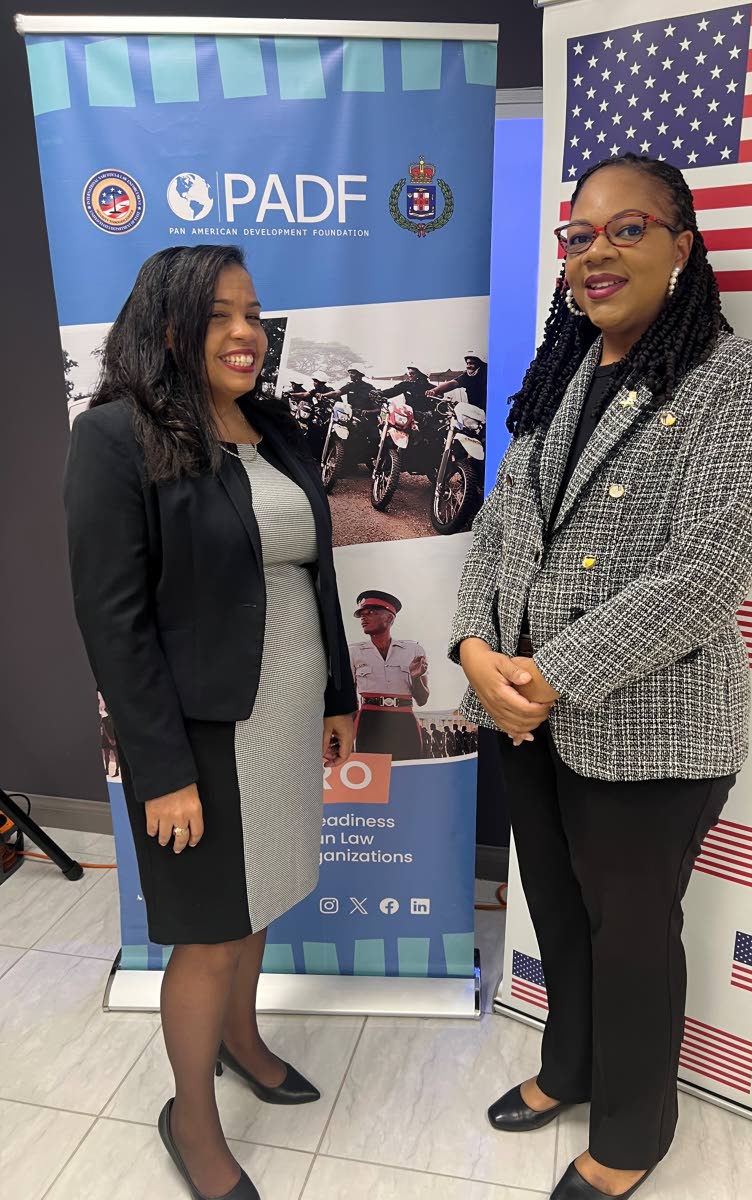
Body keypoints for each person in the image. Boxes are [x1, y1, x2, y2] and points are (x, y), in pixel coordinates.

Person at [449, 153, 752, 1200]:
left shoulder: (733, 377)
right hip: (526, 714)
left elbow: (708, 570)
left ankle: (635, 1131)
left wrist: (549, 674)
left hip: (652, 725)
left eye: (625, 228)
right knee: (555, 908)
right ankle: (569, 1068)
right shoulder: (561, 373)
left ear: (682, 246)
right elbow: (504, 527)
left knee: (633, 937)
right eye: (578, 236)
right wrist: (473, 649)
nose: (595, 252)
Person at [64, 244, 358, 1200]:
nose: (246, 334)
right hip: (198, 730)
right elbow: (114, 621)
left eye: (255, 314)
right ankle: (190, 1117)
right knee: (208, 929)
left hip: (282, 706)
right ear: (168, 325)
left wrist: (338, 695)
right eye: (219, 315)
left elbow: (314, 574)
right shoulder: (115, 436)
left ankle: (242, 1041)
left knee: (258, 896)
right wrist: (163, 770)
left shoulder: (271, 425)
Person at [349, 591, 428, 761]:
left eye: (371, 613)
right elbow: (349, 698)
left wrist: (415, 677)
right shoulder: (354, 652)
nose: (364, 618)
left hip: (404, 721)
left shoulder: (414, 650)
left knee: (407, 775)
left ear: (390, 619)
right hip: (369, 721)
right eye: (362, 614)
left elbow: (422, 700)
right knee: (372, 776)